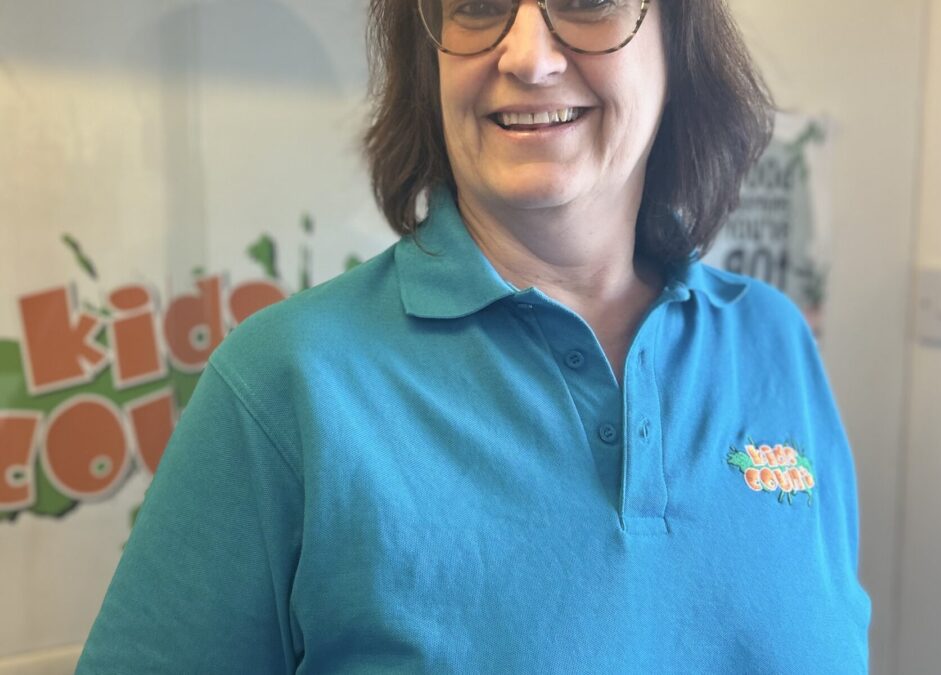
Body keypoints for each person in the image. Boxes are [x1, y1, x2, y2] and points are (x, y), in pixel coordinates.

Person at [78, 0, 871, 672]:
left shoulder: (773, 342)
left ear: (680, 38)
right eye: (478, 3)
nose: (527, 56)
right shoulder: (284, 385)